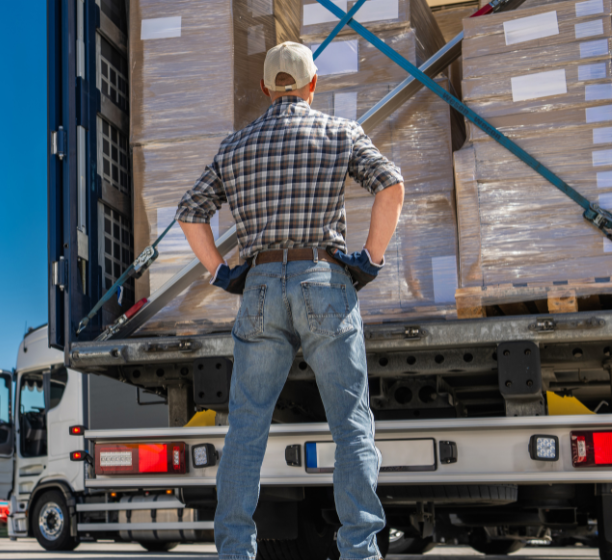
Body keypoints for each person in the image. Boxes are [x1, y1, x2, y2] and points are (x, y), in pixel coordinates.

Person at [174, 41, 405, 560]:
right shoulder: (339, 132)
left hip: (257, 287)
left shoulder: (234, 146)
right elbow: (390, 184)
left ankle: (235, 550)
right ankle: (361, 550)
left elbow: (190, 213)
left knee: (247, 427)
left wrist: (221, 271)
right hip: (323, 280)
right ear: (313, 84)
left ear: (264, 88)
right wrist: (370, 257)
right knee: (350, 424)